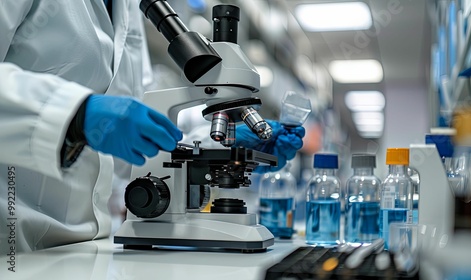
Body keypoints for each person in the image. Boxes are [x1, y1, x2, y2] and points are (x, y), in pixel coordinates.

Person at [0, 1, 305, 253]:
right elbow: (97, 116)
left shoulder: (129, 9)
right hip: (13, 243)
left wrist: (223, 143)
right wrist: (75, 114)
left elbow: (139, 127)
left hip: (89, 247)